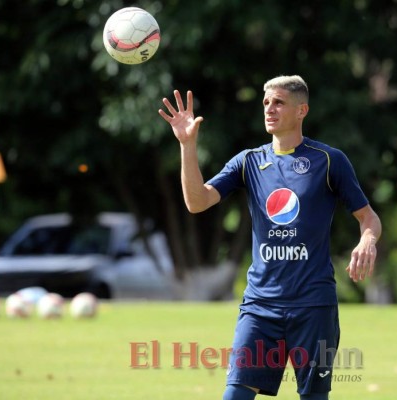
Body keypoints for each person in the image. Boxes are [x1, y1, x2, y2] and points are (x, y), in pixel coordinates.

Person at [158, 75, 382, 400]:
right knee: (235, 394)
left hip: (314, 306)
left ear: (301, 109)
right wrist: (187, 146)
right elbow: (197, 201)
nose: (269, 109)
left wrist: (366, 241)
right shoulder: (248, 162)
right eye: (265, 102)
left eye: (278, 102)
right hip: (260, 307)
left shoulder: (329, 160)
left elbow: (369, 218)